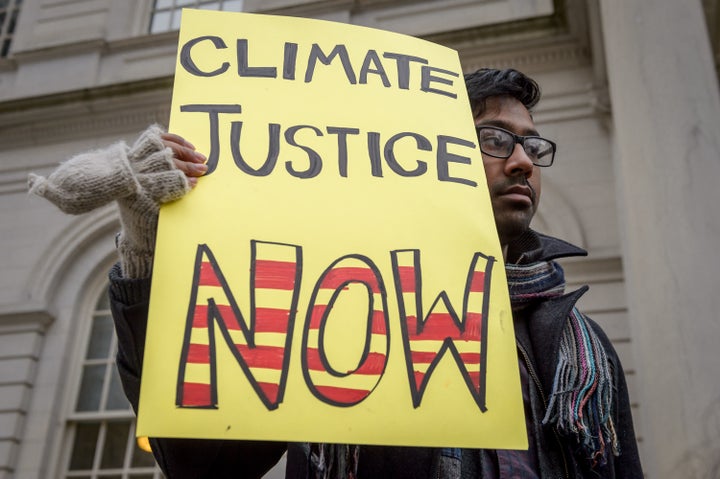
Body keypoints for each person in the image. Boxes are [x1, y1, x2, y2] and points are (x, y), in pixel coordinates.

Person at [29, 68, 643, 478]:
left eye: (534, 147)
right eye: (492, 139)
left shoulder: (579, 346)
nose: (522, 162)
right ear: (424, 158)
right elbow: (200, 460)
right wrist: (143, 246)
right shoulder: (336, 308)